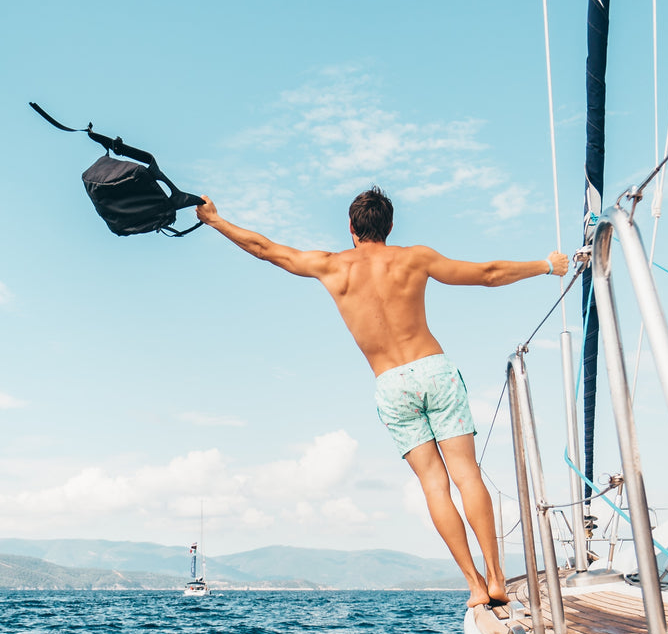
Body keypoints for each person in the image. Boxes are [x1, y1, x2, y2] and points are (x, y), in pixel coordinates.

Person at [195, 186, 569, 607]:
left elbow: (264, 249)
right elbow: (487, 274)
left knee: (434, 485)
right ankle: (498, 577)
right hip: (433, 368)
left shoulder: (331, 267)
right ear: (389, 227)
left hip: (391, 383)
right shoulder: (415, 258)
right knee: (467, 474)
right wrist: (546, 265)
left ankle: (476, 587)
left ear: (352, 229)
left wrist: (215, 220)